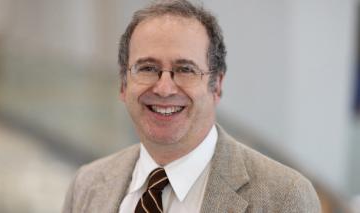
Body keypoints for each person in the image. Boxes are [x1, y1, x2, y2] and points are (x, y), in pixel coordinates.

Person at [62, 0, 321, 212]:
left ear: (216, 85)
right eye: (148, 68)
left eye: (185, 69)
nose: (164, 88)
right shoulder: (87, 184)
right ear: (123, 84)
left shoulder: (285, 197)